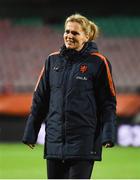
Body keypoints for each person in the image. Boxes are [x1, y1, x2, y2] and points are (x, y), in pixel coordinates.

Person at [22, 13, 117, 179]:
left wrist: (108, 133)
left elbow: (107, 103)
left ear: (86, 36)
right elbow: (40, 100)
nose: (69, 36)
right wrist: (31, 131)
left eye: (75, 33)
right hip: (54, 141)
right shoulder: (52, 61)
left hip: (84, 141)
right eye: (67, 31)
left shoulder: (99, 62)